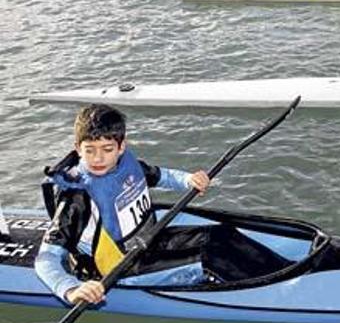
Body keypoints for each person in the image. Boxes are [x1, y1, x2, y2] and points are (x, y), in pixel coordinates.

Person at [34, 104, 288, 306]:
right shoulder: (77, 197)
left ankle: (289, 271)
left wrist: (188, 179)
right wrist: (70, 290)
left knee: (221, 235)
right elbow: (45, 259)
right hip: (120, 269)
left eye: (107, 149)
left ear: (122, 147)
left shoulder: (125, 166)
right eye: (90, 150)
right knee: (210, 257)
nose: (98, 158)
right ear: (78, 148)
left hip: (149, 243)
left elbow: (161, 176)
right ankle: (281, 294)